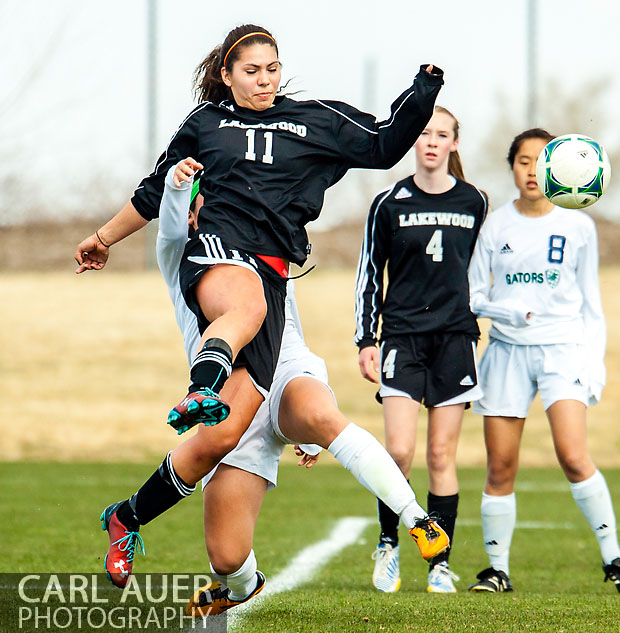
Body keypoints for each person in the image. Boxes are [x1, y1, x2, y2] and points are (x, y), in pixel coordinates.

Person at [73, 23, 445, 588]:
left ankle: (127, 518)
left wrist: (424, 88)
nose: (264, 80)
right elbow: (154, 194)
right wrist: (103, 237)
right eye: (251, 71)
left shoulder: (313, 120)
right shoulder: (205, 125)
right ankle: (202, 390)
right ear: (226, 74)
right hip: (219, 254)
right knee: (243, 306)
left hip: (273, 281)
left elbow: (386, 144)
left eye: (272, 68)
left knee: (221, 445)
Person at [149, 163, 446, 615]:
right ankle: (243, 585)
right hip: (227, 402)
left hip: (286, 370)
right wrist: (177, 184)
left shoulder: (262, 237)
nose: (216, 213)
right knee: (227, 556)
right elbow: (170, 225)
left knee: (321, 418)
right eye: (205, 207)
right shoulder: (180, 256)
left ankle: (418, 519)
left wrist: (304, 431)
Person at [464, 128, 620, 594]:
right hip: (504, 351)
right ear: (512, 167)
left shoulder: (579, 225)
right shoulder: (494, 225)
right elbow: (473, 295)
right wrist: (509, 312)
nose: (530, 170)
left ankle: (615, 560)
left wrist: (594, 366)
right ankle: (496, 569)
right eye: (522, 161)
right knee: (500, 466)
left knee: (573, 455)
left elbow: (591, 304)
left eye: (540, 161)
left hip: (563, 350)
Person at [354, 106, 488, 593]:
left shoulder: (476, 201)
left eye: (443, 134)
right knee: (399, 450)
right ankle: (389, 544)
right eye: (425, 133)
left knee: (440, 454)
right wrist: (366, 340)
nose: (432, 141)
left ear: (454, 144)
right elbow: (370, 274)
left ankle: (439, 564)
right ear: (415, 140)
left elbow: (482, 268)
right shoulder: (388, 202)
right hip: (402, 337)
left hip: (454, 339)